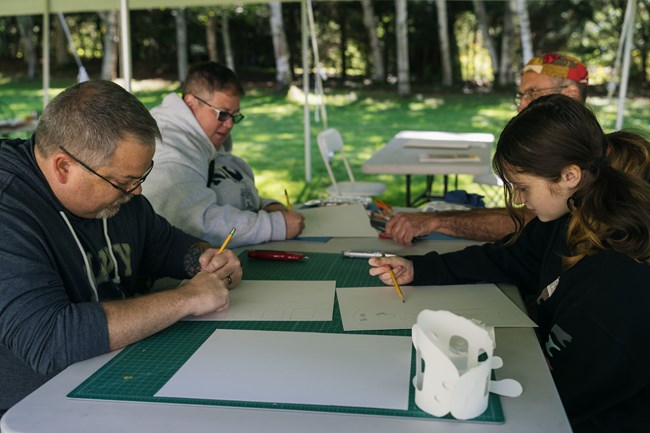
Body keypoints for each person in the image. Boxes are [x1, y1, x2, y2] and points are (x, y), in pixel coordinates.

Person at [369, 94, 650, 432]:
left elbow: (568, 397)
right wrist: (420, 269)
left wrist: (473, 387)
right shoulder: (570, 214)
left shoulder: (618, 277)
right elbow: (509, 258)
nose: (518, 200)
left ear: (569, 176)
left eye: (523, 188)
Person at [0, 80, 244, 415]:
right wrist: (187, 298)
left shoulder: (116, 194)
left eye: (142, 176)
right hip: (36, 408)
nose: (137, 192)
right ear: (63, 167)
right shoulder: (9, 209)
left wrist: (204, 259)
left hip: (116, 376)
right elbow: (49, 338)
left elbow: (163, 243)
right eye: (124, 182)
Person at [385, 53, 589, 245]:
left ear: (570, 94)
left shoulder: (585, 156)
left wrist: (436, 220)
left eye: (532, 93)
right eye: (521, 96)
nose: (521, 106)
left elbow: (532, 222)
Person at [142, 61, 305, 248]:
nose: (230, 124)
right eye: (223, 114)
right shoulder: (170, 147)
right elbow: (196, 221)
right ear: (190, 102)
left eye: (235, 115)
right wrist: (275, 225)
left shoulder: (206, 143)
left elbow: (223, 193)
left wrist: (265, 206)